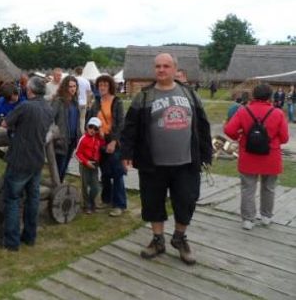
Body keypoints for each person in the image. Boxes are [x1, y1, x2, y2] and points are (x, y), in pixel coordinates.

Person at [120, 53, 212, 265]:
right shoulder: (144, 96)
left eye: (166, 66)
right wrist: (126, 153)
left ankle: (179, 238)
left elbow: (203, 125)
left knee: (187, 201)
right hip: (153, 164)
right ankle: (158, 239)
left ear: (175, 69)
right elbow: (130, 128)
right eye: (158, 66)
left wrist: (206, 153)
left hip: (186, 163)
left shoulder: (189, 94)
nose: (161, 70)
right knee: (152, 203)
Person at [224, 83, 289, 230]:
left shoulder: (243, 111)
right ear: (270, 96)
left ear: (253, 95)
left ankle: (248, 220)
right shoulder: (278, 113)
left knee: (248, 188)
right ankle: (266, 217)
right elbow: (284, 138)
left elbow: (229, 129)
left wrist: (240, 136)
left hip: (248, 155)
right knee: (269, 188)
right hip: (271, 156)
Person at [1, 76, 54, 251]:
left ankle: (12, 242)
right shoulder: (48, 108)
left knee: (13, 199)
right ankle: (30, 237)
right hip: (37, 160)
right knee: (32, 199)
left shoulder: (25, 106)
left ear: (29, 90)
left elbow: (5, 123)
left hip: (20, 160)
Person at [87, 74, 126, 217]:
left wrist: (114, 141)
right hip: (99, 141)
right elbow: (90, 119)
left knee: (117, 173)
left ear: (110, 86)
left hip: (112, 140)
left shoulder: (117, 102)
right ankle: (106, 199)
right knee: (105, 173)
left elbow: (121, 124)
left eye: (105, 85)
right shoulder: (96, 102)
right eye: (100, 85)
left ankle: (119, 204)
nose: (102, 87)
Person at [51, 75, 81, 182]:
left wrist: (79, 136)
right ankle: (56, 191)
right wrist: (56, 136)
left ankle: (59, 191)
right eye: (70, 86)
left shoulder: (75, 102)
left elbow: (77, 121)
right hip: (61, 140)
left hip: (72, 140)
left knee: (64, 168)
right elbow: (51, 118)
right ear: (65, 87)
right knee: (59, 168)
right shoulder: (59, 101)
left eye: (74, 86)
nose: (73, 88)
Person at [75, 117, 105, 214]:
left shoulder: (98, 139)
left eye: (96, 128)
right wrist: (85, 162)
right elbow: (77, 153)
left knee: (95, 186)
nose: (93, 130)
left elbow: (103, 143)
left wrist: (101, 135)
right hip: (85, 164)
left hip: (95, 165)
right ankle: (86, 205)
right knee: (85, 185)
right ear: (87, 127)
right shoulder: (83, 139)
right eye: (91, 127)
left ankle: (92, 201)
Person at [74, 66, 92, 131]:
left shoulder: (74, 79)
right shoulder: (86, 81)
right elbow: (89, 94)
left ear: (75, 72)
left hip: (75, 103)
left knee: (75, 119)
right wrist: (89, 103)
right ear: (82, 72)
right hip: (84, 103)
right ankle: (81, 132)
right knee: (82, 120)